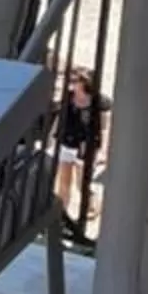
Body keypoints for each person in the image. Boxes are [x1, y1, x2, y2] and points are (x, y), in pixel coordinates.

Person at [56, 66, 105, 219]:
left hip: (85, 147)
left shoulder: (98, 101)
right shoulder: (68, 97)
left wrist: (103, 150)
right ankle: (62, 215)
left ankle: (93, 205)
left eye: (75, 80)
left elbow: (103, 127)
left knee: (81, 183)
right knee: (64, 182)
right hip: (67, 142)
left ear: (84, 83)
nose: (71, 83)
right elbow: (60, 118)